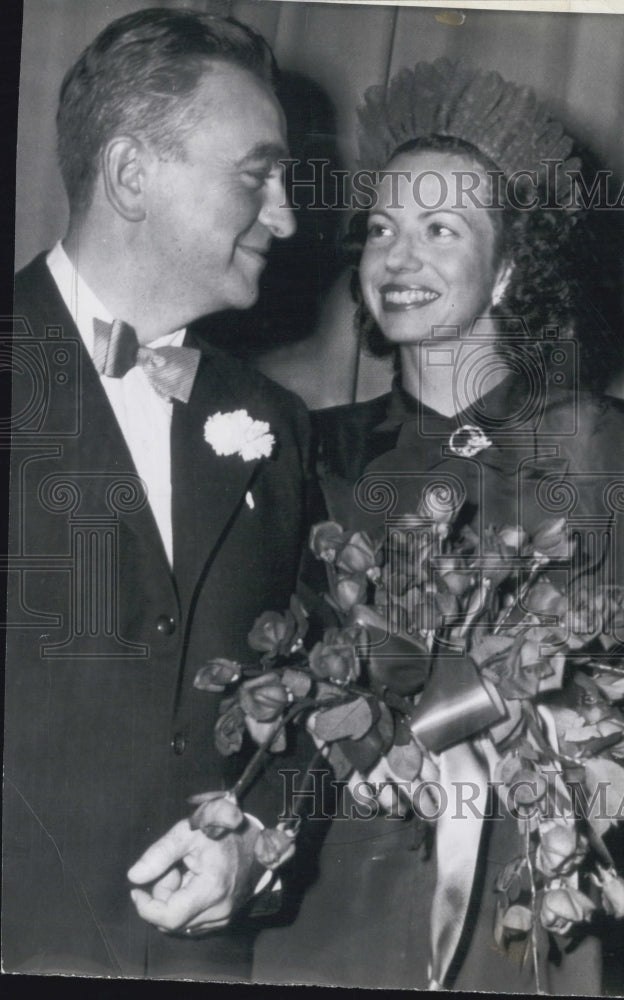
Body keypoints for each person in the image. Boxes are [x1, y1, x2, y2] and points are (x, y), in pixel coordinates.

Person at [253, 60, 624, 993]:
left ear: (509, 272)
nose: (397, 261)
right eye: (381, 229)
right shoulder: (303, 448)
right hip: (327, 923)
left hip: (528, 924)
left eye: (441, 229)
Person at [3, 7, 313, 980]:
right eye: (255, 175)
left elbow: (311, 697)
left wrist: (258, 843)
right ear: (132, 174)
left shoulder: (275, 422)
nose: (287, 216)